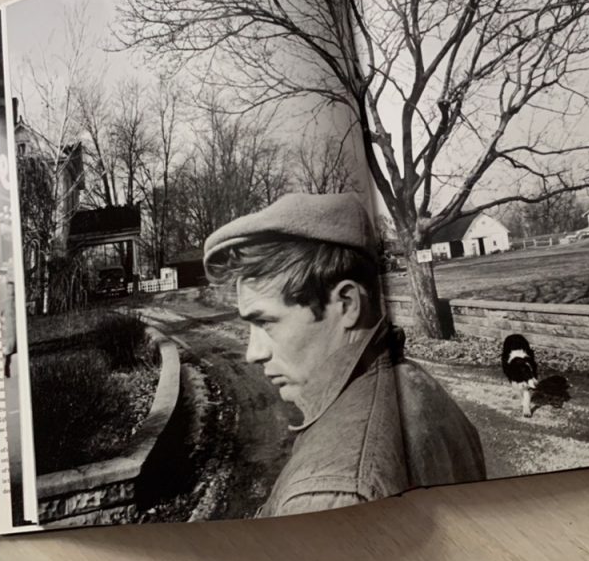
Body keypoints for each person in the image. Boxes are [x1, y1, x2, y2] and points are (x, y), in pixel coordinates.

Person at [203, 192, 486, 517]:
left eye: (266, 323)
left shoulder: (331, 493)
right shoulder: (420, 386)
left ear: (347, 304)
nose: (253, 354)